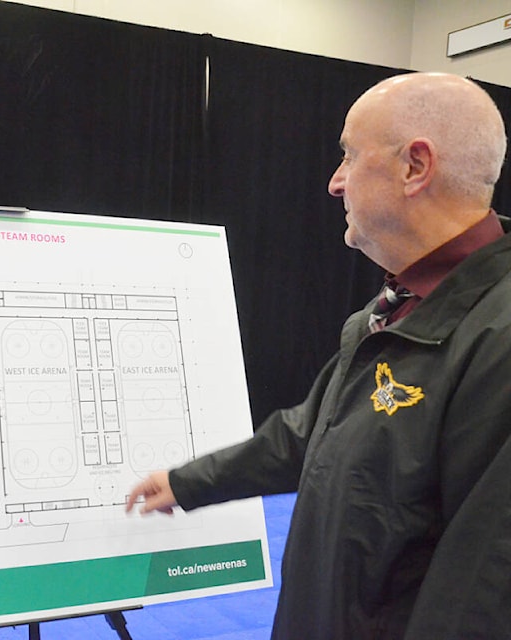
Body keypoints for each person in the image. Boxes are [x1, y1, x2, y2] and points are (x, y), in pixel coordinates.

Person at [127, 71, 511, 639]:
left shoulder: (498, 339)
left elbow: (481, 591)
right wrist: (191, 481)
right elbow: (313, 434)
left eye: (350, 156)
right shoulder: (392, 311)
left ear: (415, 167)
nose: (335, 182)